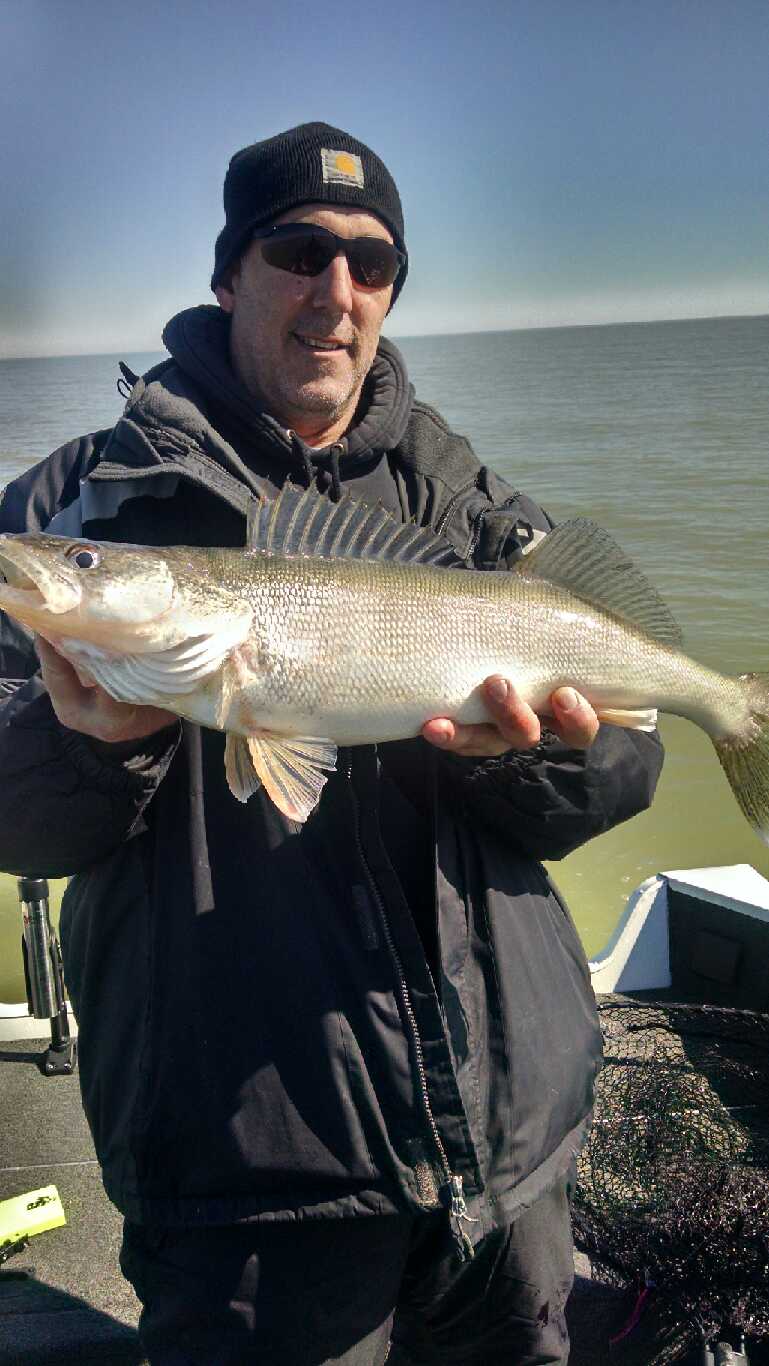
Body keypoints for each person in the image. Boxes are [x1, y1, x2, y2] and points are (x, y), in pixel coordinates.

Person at [0, 122, 663, 1365]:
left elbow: (626, 770)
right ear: (227, 273)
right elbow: (10, 816)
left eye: (373, 263)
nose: (338, 293)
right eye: (300, 250)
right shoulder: (72, 508)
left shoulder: (472, 508)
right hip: (245, 1180)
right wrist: (88, 746)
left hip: (509, 1155)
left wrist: (539, 754)